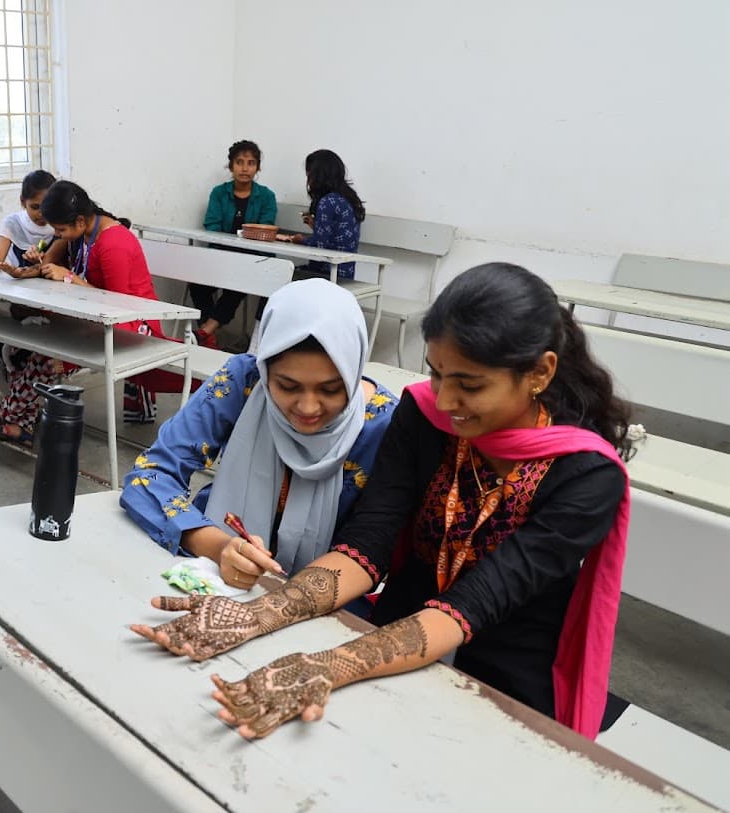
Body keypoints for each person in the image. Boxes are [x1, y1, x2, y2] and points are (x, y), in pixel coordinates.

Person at [132, 264, 633, 741]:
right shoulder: (424, 416)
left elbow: (480, 600)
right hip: (392, 635)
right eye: (437, 374)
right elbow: (368, 543)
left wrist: (329, 664)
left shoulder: (586, 475)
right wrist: (259, 615)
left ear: (540, 373)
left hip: (502, 669)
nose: (446, 399)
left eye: (470, 385)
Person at [120, 278, 396, 587]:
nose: (307, 407)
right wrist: (218, 546)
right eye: (287, 386)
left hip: (328, 599)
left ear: (353, 370)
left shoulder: (383, 426)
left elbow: (378, 547)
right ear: (265, 370)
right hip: (217, 573)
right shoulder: (244, 383)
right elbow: (151, 474)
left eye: (331, 389)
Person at [0, 180, 186, 442]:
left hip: (134, 326)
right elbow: (59, 265)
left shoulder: (113, 243)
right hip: (100, 320)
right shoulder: (85, 235)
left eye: (60, 229)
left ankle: (15, 421)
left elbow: (118, 306)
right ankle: (16, 419)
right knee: (23, 348)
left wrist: (70, 279)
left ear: (81, 221)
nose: (58, 235)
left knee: (44, 358)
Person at [0, 169, 58, 394]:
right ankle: (16, 404)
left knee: (35, 358)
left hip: (51, 306)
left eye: (46, 208)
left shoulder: (60, 227)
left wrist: (39, 264)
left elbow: (54, 269)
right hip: (18, 305)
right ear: (22, 202)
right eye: (35, 207)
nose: (41, 214)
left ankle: (24, 408)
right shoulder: (13, 223)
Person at [193, 140, 278, 348]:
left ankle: (205, 331)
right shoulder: (219, 193)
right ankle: (208, 334)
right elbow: (211, 225)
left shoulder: (266, 196)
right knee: (196, 282)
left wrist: (240, 240)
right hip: (220, 255)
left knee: (239, 279)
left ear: (257, 167)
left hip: (253, 257)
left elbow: (263, 229)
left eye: (250, 163)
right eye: (239, 162)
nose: (245, 168)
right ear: (231, 166)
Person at [276, 149, 365, 281]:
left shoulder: (327, 201)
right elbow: (336, 238)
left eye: (309, 175)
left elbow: (320, 246)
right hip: (345, 272)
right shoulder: (348, 198)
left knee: (276, 277)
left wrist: (301, 240)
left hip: (328, 273)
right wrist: (316, 226)